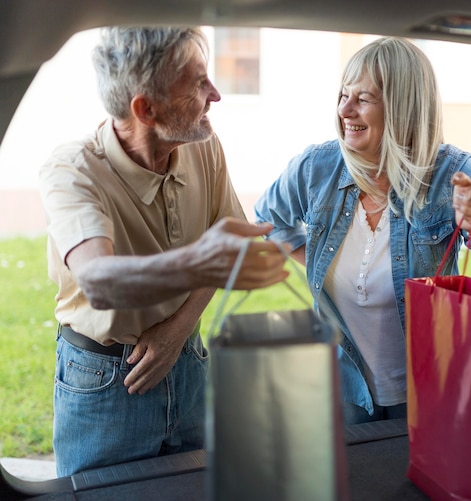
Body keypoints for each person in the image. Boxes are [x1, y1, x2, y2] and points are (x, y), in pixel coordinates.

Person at [254, 37, 471, 425]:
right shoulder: (317, 167)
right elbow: (266, 218)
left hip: (428, 390)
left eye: (364, 98)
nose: (344, 109)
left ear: (402, 107)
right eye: (343, 95)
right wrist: (309, 260)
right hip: (341, 389)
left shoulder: (448, 172)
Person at [39, 26, 289, 476]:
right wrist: (198, 261)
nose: (215, 94)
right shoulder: (70, 169)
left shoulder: (204, 145)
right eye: (197, 83)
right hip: (106, 380)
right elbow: (97, 280)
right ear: (146, 109)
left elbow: (224, 243)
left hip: (187, 358)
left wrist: (176, 333)